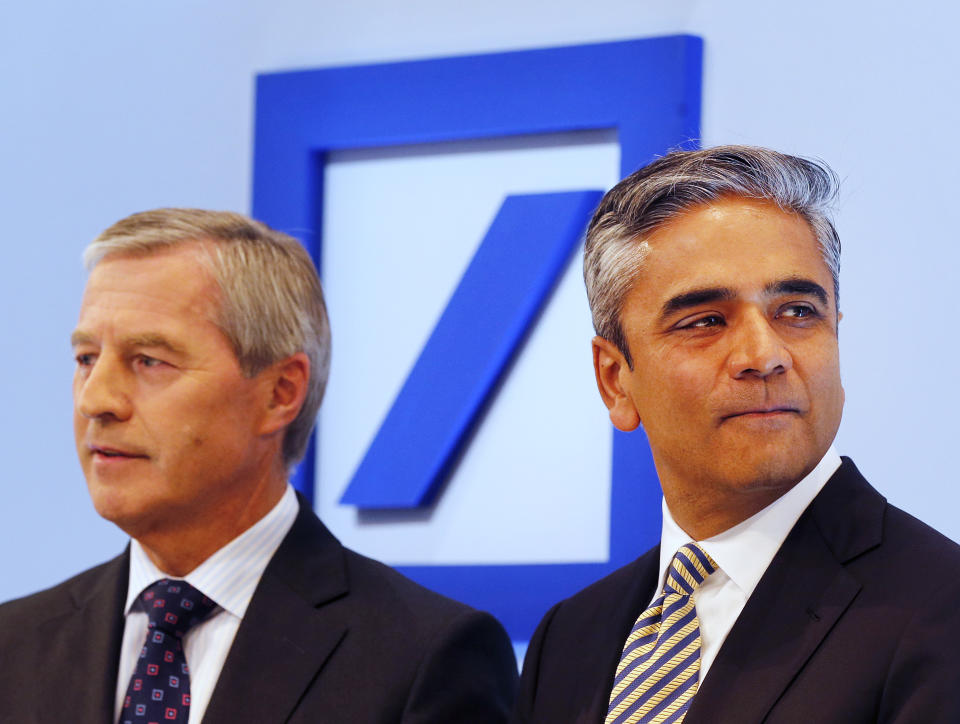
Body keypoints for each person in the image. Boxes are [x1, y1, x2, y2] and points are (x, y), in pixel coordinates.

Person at [0, 208, 518, 723]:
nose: (96, 400)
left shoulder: (422, 658)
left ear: (280, 393)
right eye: (86, 358)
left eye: (149, 361)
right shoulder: (14, 646)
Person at [512, 146, 960, 723]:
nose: (764, 355)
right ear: (615, 380)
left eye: (798, 312)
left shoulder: (940, 612)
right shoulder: (569, 638)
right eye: (705, 321)